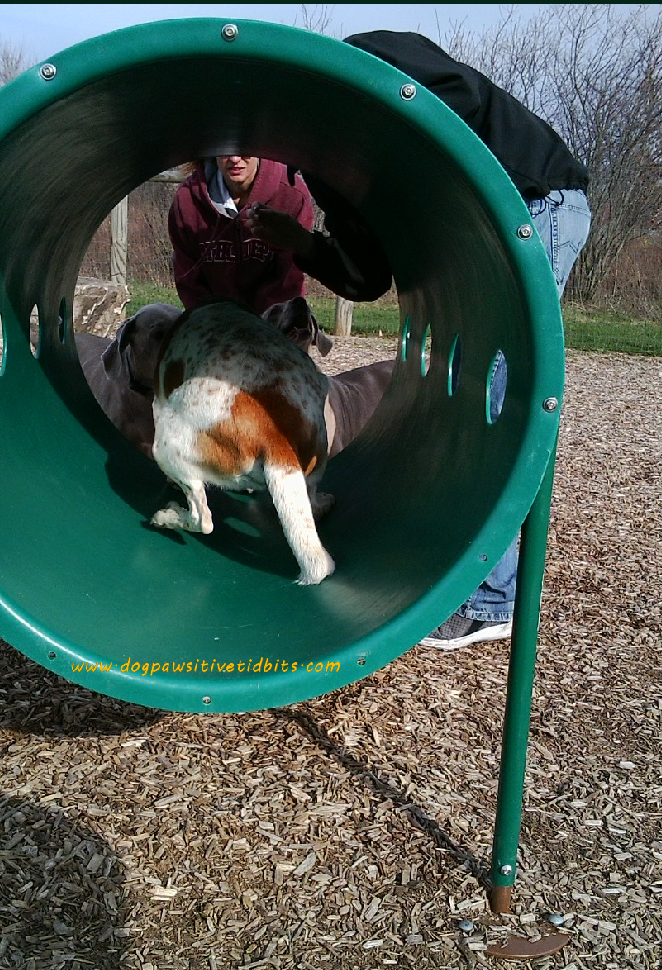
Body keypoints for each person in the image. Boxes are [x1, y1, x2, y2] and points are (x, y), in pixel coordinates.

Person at [244, 29, 592, 652]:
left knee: (499, 400)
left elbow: (455, 97)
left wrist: (396, 161)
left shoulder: (369, 62)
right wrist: (305, 246)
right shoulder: (323, 170)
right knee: (470, 401)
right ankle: (471, 572)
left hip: (531, 203)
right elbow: (367, 277)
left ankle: (493, 602)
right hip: (482, 229)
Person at [168, 155, 314, 316]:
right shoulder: (187, 200)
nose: (235, 159)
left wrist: (263, 326)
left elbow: (289, 276)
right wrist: (215, 320)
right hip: (215, 323)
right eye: (225, 151)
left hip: (274, 321)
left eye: (244, 150)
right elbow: (188, 277)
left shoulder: (292, 195)